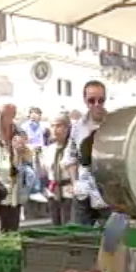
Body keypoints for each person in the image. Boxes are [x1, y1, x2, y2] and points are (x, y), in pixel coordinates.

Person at [65, 81, 109, 226]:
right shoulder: (77, 127)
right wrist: (74, 183)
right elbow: (71, 157)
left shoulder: (114, 123)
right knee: (80, 239)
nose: (96, 104)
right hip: (83, 193)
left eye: (100, 100)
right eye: (91, 100)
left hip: (108, 195)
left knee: (111, 242)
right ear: (85, 101)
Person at [0, 100, 22, 233]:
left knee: (11, 232)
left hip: (13, 192)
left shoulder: (19, 134)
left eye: (11, 114)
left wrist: (21, 152)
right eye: (3, 114)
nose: (7, 118)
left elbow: (27, 163)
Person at [42, 113, 73, 225]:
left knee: (68, 224)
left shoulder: (73, 148)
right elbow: (45, 171)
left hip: (69, 193)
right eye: (52, 126)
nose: (55, 129)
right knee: (55, 225)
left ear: (67, 128)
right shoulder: (49, 150)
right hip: (53, 193)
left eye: (59, 126)